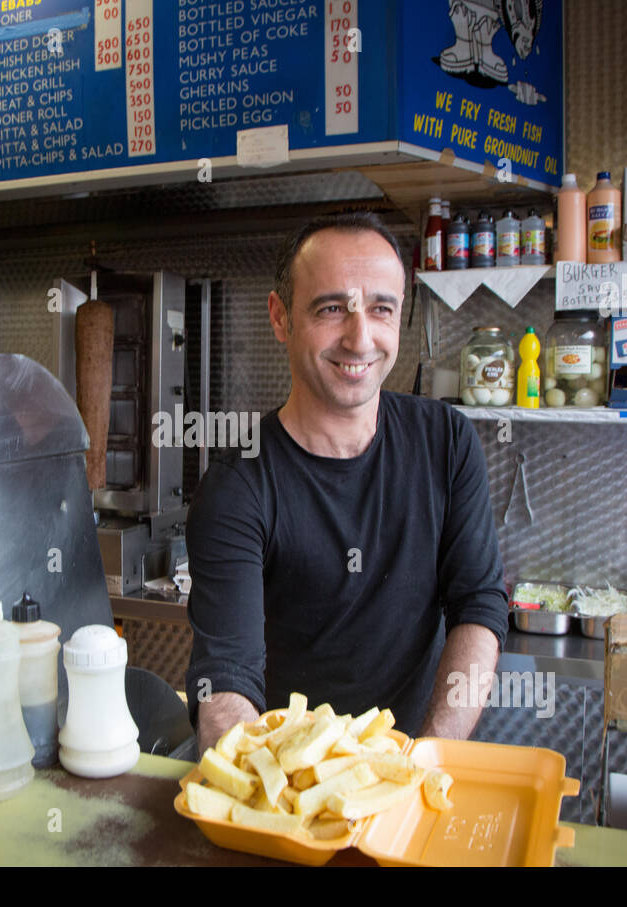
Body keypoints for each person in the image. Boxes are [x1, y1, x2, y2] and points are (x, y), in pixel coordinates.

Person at [185, 211, 508, 753]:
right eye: (332, 309)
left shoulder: (447, 443)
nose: (361, 339)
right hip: (291, 785)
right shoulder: (237, 484)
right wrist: (256, 786)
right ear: (281, 317)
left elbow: (478, 607)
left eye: (381, 309)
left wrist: (427, 757)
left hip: (419, 763)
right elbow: (226, 678)